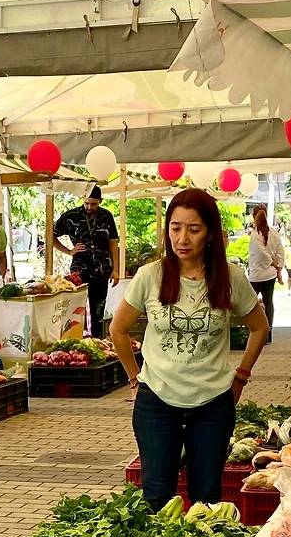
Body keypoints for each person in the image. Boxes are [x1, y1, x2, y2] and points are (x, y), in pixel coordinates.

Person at [109, 188, 269, 508]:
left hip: (212, 403)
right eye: (175, 228)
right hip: (156, 401)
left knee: (206, 498)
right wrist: (134, 380)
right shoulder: (150, 276)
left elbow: (259, 327)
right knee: (156, 496)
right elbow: (118, 329)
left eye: (194, 229)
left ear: (209, 233)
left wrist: (240, 377)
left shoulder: (230, 277)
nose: (182, 239)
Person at [54, 186, 119, 337]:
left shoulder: (106, 216)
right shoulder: (71, 216)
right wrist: (69, 251)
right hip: (79, 270)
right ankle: (75, 339)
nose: (89, 207)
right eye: (86, 203)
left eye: (93, 204)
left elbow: (113, 243)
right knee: (76, 309)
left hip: (101, 269)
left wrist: (116, 269)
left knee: (98, 311)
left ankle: (97, 340)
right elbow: (50, 235)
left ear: (100, 201)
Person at [247, 207, 285, 341]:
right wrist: (278, 267)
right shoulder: (274, 232)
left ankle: (253, 331)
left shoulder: (255, 234)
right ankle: (268, 333)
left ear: (254, 216)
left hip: (257, 274)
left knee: (249, 303)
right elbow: (280, 251)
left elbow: (261, 254)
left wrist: (273, 263)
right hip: (271, 275)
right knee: (268, 303)